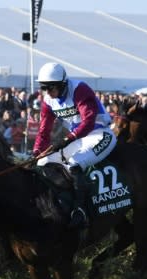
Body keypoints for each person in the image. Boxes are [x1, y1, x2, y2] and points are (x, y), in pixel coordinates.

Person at [32, 62, 117, 228]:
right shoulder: (48, 100)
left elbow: (88, 122)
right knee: (42, 162)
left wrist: (67, 139)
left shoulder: (79, 89)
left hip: (100, 134)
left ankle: (80, 210)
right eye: (44, 88)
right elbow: (44, 131)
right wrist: (37, 151)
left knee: (75, 163)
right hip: (78, 139)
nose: (48, 92)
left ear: (62, 85)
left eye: (51, 88)